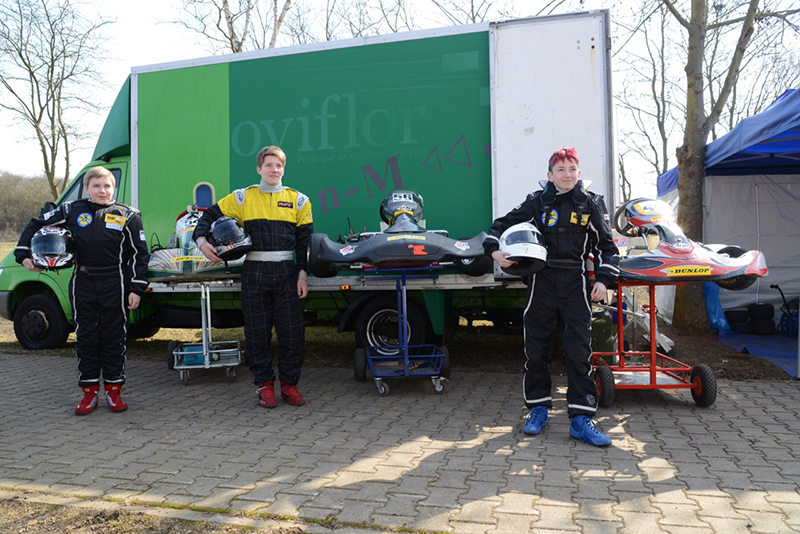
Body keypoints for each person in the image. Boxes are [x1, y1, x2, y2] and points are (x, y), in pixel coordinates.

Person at [484, 147, 619, 446]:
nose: (567, 175)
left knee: (579, 352)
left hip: (575, 282)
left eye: (572, 169)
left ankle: (581, 419)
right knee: (536, 349)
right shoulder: (537, 201)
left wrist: (604, 280)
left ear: (579, 173)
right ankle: (538, 410)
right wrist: (494, 251)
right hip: (541, 281)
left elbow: (607, 247)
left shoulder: (591, 203)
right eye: (560, 170)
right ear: (550, 175)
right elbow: (500, 226)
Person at [15, 167, 150, 415]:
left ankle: (114, 391)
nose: (102, 191)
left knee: (114, 337)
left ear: (114, 188)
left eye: (107, 186)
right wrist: (23, 255)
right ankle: (89, 393)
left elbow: (140, 255)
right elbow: (36, 224)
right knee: (86, 337)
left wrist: (137, 288)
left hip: (116, 282)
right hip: (83, 282)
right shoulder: (71, 210)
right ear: (86, 188)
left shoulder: (128, 215)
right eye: (96, 186)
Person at [194, 145, 313, 408]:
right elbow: (207, 217)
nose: (274, 170)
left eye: (279, 165)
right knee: (257, 334)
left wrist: (303, 274)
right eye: (268, 165)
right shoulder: (241, 198)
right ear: (259, 169)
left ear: (284, 170)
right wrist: (202, 242)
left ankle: (290, 386)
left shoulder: (299, 201)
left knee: (293, 334)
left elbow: (304, 243)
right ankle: (264, 387)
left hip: (287, 274)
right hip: (254, 272)